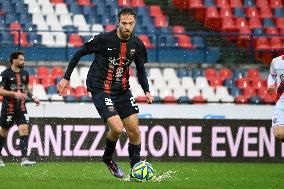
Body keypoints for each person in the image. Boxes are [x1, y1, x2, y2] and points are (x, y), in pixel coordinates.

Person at [57, 8, 153, 178]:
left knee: (134, 131)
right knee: (117, 128)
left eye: (130, 23)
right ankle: (108, 158)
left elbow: (141, 70)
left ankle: (135, 170)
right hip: (101, 88)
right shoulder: (104, 39)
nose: (127, 27)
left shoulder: (137, 44)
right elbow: (79, 53)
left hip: (122, 90)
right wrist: (66, 78)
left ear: (135, 23)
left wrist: (146, 90)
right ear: (118, 22)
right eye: (124, 23)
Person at [0, 51, 40, 167]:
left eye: (23, 59)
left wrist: (33, 97)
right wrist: (15, 94)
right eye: (21, 59)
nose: (23, 61)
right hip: (8, 108)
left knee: (24, 129)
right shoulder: (5, 74)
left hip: (21, 107)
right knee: (3, 133)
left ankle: (24, 159)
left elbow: (26, 88)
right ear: (14, 60)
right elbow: (0, 90)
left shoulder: (25, 73)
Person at [268, 55, 284, 142]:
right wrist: (270, 84)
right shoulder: (276, 61)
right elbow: (272, 75)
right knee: (279, 135)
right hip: (281, 105)